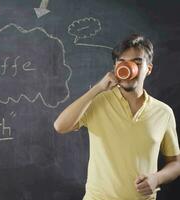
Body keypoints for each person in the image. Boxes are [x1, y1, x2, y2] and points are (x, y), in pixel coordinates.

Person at [54, 34, 180, 199]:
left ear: (148, 69)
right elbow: (60, 126)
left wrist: (157, 178)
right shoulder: (97, 102)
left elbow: (175, 163)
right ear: (115, 68)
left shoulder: (163, 112)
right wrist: (98, 88)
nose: (129, 67)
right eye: (122, 62)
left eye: (137, 62)